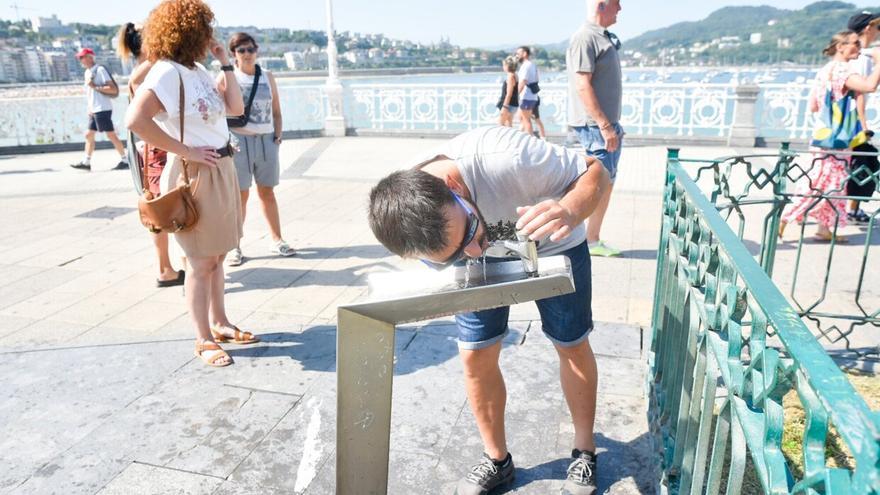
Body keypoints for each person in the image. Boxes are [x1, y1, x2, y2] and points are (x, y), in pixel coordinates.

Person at [367, 126, 610, 495]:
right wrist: (453, 260)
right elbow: (459, 250)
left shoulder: (507, 157)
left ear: (456, 187)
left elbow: (596, 171)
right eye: (446, 255)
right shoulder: (401, 210)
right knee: (475, 355)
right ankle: (497, 460)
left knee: (571, 343)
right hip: (488, 262)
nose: (473, 251)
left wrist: (570, 210)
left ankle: (584, 450)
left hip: (556, 242)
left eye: (467, 234)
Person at [126, 0, 259, 367]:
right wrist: (186, 151)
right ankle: (202, 339)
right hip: (196, 172)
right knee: (201, 261)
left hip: (221, 166)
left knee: (216, 256)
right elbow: (135, 119)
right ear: (190, 31)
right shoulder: (166, 72)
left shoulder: (197, 70)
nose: (211, 35)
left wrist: (225, 63)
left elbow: (235, 108)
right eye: (206, 28)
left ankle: (220, 323)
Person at [780, 31, 880, 242]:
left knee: (832, 182)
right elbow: (870, 86)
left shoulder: (825, 70)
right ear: (840, 46)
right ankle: (784, 217)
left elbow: (814, 105)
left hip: (825, 134)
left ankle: (824, 229)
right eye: (854, 43)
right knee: (821, 181)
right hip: (838, 139)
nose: (859, 47)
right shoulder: (842, 70)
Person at [118, 22, 185, 288]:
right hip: (158, 149)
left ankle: (166, 267)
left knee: (159, 206)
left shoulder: (141, 70)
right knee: (162, 207)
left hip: (152, 149)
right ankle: (167, 268)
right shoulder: (144, 71)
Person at [224, 32, 296, 267]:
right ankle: (234, 245)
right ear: (233, 54)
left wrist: (277, 134)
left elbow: (276, 109)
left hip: (266, 140)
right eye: (241, 50)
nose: (247, 54)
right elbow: (217, 115)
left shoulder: (267, 76)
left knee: (267, 192)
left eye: (250, 49)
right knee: (241, 196)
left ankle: (277, 239)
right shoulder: (228, 77)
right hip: (239, 142)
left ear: (257, 51)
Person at [567, 0, 624, 258]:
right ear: (602, 5)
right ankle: (576, 242)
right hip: (596, 127)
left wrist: (613, 125)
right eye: (617, 3)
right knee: (595, 184)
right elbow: (582, 85)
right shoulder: (585, 37)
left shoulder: (600, 37)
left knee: (606, 182)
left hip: (605, 126)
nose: (620, 9)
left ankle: (591, 238)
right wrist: (604, 125)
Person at [69, 48, 129, 171]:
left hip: (102, 109)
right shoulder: (87, 72)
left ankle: (125, 160)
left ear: (90, 57)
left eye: (82, 57)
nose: (80, 60)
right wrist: (89, 108)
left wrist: (95, 86)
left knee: (111, 135)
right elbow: (90, 93)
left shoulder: (100, 70)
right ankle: (86, 162)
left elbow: (112, 89)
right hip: (94, 110)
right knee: (89, 135)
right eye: (80, 58)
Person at [846, 11, 880, 224]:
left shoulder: (858, 53)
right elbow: (860, 93)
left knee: (860, 162)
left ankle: (850, 208)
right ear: (868, 28)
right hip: (851, 122)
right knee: (863, 163)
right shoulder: (864, 56)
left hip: (847, 121)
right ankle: (851, 208)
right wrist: (863, 126)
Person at [515, 46, 540, 137]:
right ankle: (521, 137)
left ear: (525, 54)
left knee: (526, 120)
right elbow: (537, 78)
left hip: (526, 96)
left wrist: (516, 94)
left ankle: (530, 139)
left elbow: (523, 81)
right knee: (521, 117)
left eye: (518, 54)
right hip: (532, 96)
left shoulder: (525, 66)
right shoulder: (532, 65)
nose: (517, 56)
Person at [496, 56, 519, 127]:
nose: (503, 67)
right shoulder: (515, 75)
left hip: (509, 105)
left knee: (500, 125)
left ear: (507, 66)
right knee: (509, 127)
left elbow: (509, 93)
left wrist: (505, 106)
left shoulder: (510, 76)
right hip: (513, 104)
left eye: (503, 65)